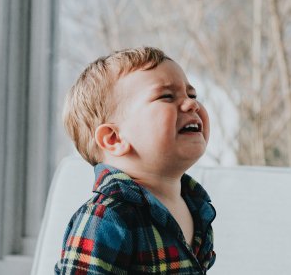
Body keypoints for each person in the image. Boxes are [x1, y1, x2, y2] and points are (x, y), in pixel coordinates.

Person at [56, 46, 216, 274]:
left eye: (192, 95)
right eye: (167, 96)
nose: (192, 104)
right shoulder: (106, 217)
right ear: (113, 138)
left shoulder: (197, 208)